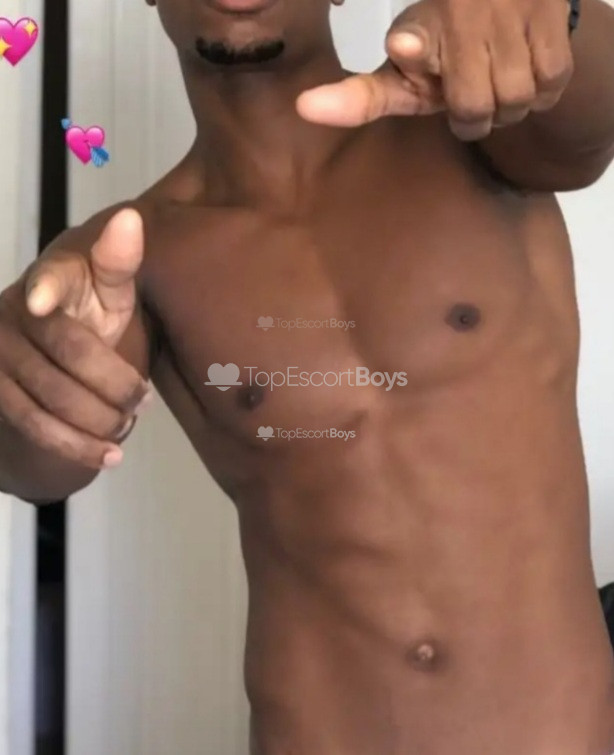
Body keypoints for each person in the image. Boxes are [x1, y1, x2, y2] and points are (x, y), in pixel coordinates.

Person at [1, 0, 614, 752]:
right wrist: (18, 375)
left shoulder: (478, 126)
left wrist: (556, 14)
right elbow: (35, 464)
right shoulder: (131, 255)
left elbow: (591, 115)